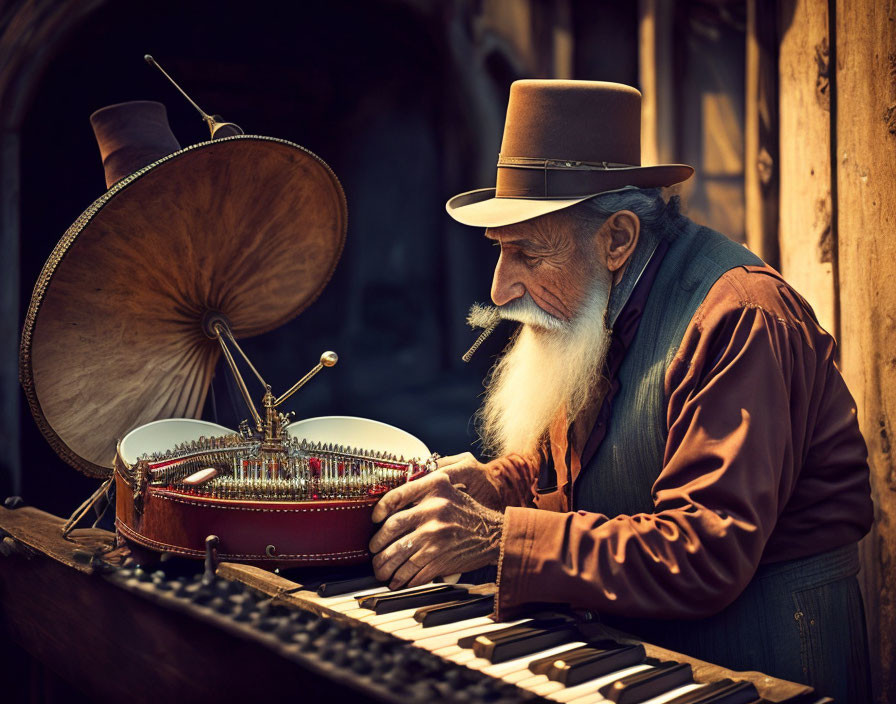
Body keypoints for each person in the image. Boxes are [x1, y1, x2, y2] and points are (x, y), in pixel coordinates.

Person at [369, 80, 873, 701]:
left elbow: (704, 551)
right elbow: (597, 460)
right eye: (500, 252)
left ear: (617, 239)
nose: (500, 290)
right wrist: (496, 486)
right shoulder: (598, 299)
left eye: (527, 253)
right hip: (641, 659)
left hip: (765, 666)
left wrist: (498, 536)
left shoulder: (740, 319)